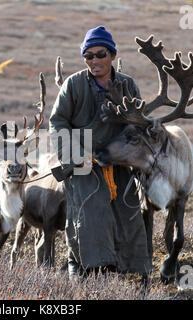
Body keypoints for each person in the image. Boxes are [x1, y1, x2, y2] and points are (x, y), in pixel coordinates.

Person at [49, 26, 151, 278]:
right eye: (88, 56)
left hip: (119, 166)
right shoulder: (73, 85)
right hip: (84, 166)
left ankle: (131, 276)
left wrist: (133, 155)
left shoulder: (128, 85)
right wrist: (74, 155)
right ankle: (85, 275)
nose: (94, 60)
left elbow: (139, 125)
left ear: (112, 55)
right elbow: (57, 122)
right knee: (87, 221)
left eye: (100, 54)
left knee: (128, 220)